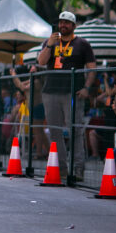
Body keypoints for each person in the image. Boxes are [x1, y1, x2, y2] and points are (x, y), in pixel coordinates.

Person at [34, 11, 96, 183]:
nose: (63, 25)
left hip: (72, 91)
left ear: (74, 26)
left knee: (75, 129)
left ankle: (78, 169)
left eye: (67, 23)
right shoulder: (50, 42)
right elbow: (40, 62)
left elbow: (92, 68)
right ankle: (60, 169)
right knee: (55, 131)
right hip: (50, 91)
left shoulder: (82, 44)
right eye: (61, 22)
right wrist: (49, 45)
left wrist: (86, 88)